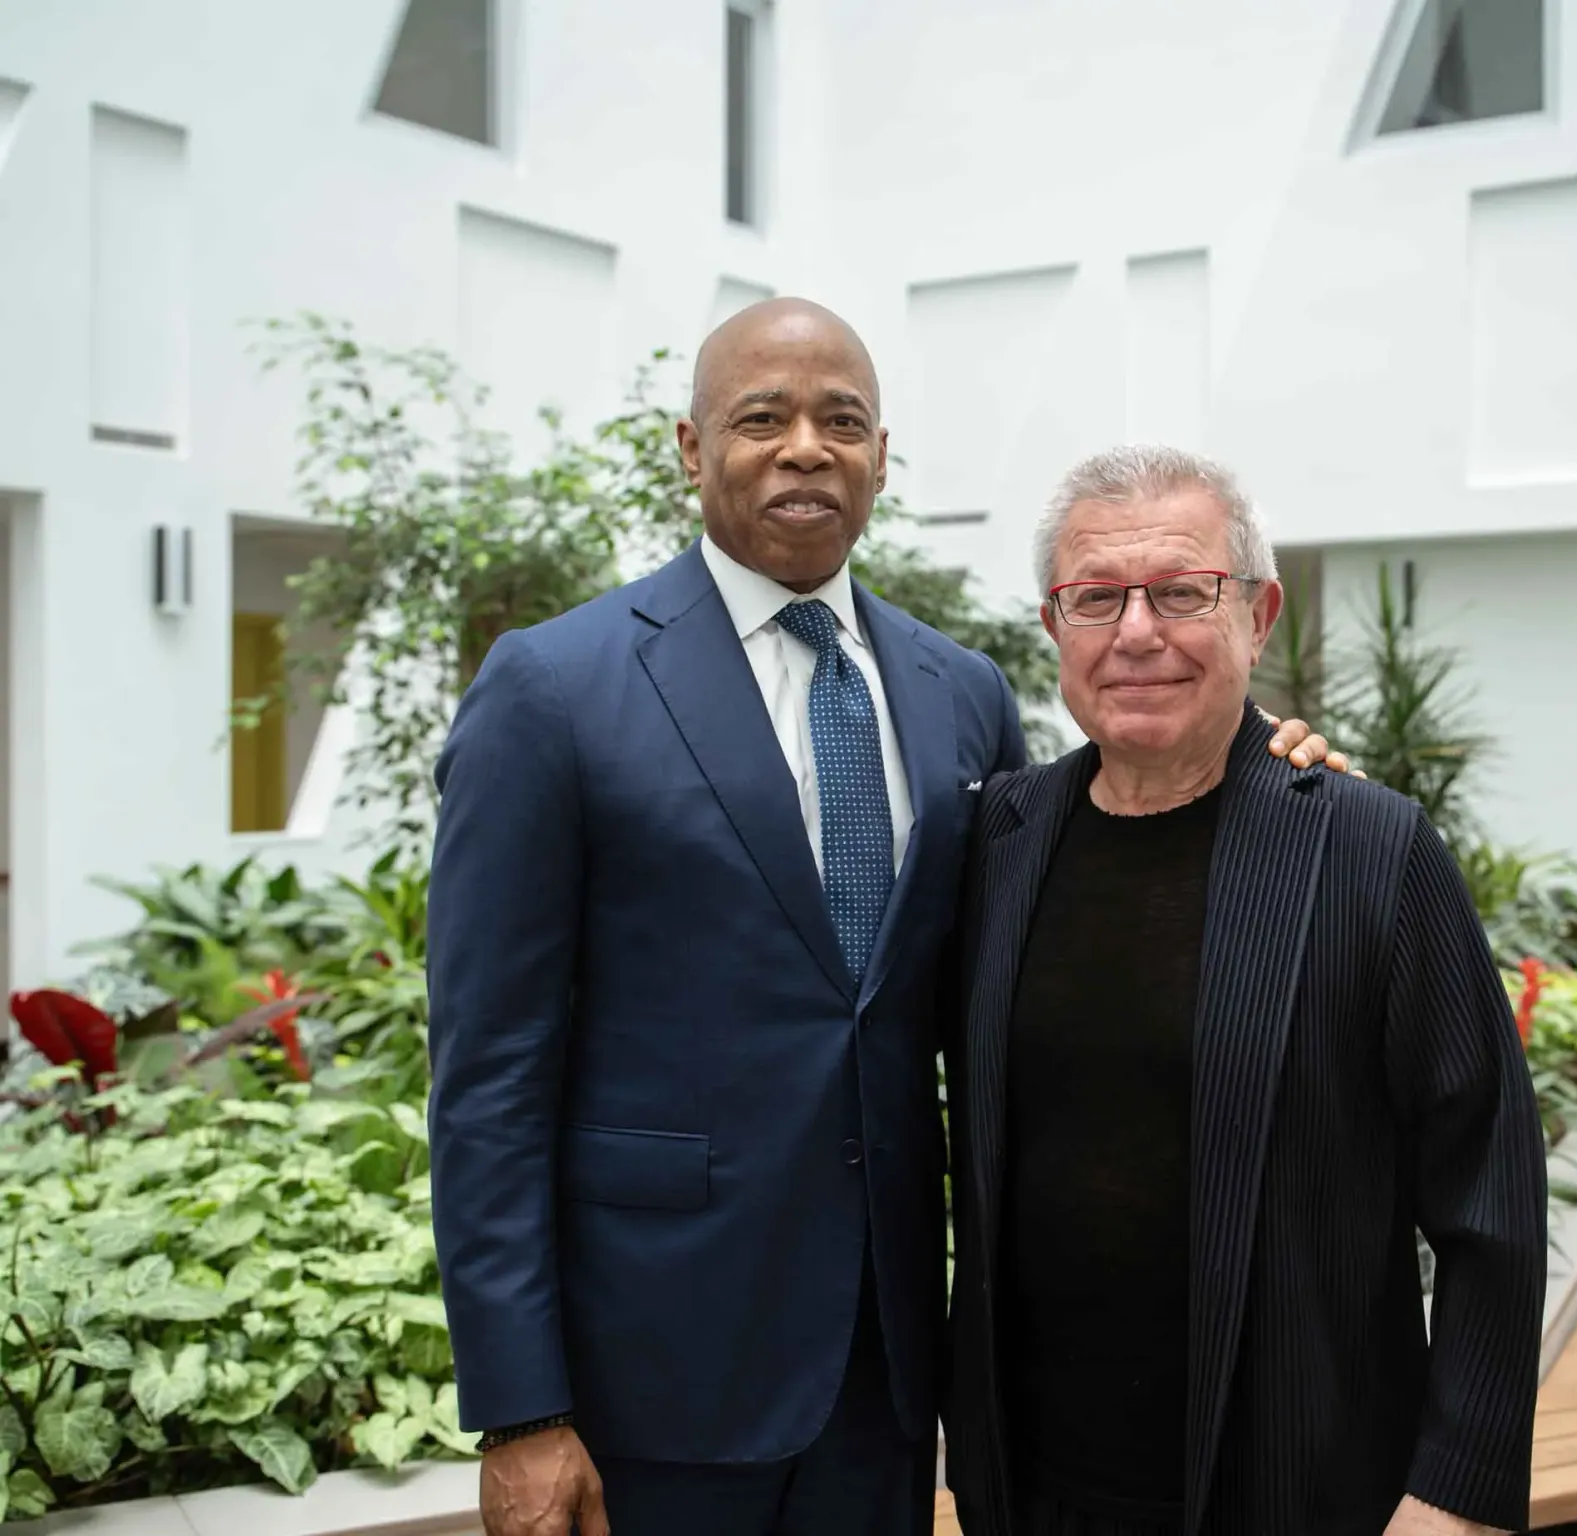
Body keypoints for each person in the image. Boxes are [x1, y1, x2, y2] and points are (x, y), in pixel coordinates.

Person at [425, 300, 1345, 1536]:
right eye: (763, 418)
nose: (806, 446)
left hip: (891, 1378)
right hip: (651, 1378)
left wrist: (1263, 773)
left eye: (840, 421)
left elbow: (1064, 915)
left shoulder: (959, 692)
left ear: (880, 456)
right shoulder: (553, 690)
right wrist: (521, 1408)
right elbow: (487, 1076)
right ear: (692, 449)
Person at [943, 446, 1549, 1536]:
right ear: (1053, 629)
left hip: (1300, 1477)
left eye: (1182, 591)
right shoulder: (999, 838)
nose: (1137, 632)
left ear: (1257, 616)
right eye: (1095, 599)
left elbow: (1489, 1192)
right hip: (1033, 1486)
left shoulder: (1370, 849)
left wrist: (1458, 1489)